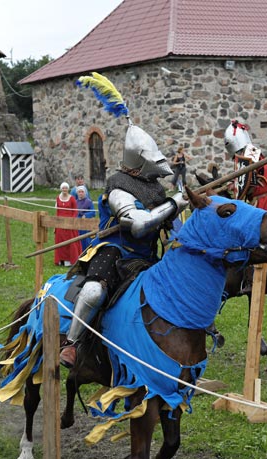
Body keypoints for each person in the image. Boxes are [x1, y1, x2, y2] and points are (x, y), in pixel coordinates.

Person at [59, 122, 188, 368]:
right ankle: (72, 342)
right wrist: (173, 205)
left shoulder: (155, 190)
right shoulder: (119, 187)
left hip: (146, 255)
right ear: (140, 162)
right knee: (95, 290)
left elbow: (169, 226)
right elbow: (138, 224)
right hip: (115, 251)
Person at [224, 120, 267, 214]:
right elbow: (245, 178)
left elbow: (249, 180)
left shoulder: (250, 155)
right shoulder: (251, 153)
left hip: (264, 202)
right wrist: (235, 182)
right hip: (260, 199)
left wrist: (235, 185)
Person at [54, 182, 82, 267]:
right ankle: (60, 260)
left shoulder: (72, 198)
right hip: (60, 223)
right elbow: (58, 211)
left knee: (71, 242)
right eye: (63, 188)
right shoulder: (58, 198)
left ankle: (70, 261)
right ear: (61, 189)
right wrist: (56, 223)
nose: (64, 190)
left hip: (70, 224)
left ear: (68, 189)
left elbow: (75, 211)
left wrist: (71, 220)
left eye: (66, 188)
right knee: (60, 241)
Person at [75, 185, 95, 251]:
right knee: (77, 239)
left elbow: (93, 212)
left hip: (85, 224)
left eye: (82, 192)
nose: (80, 193)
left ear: (85, 192)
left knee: (85, 240)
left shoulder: (88, 201)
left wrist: (86, 215)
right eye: (79, 192)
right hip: (77, 224)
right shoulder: (75, 202)